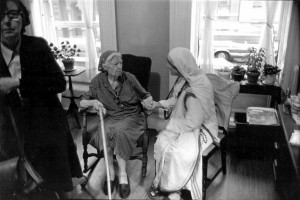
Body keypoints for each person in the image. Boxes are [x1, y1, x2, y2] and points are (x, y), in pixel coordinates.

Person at [0, 0, 83, 198]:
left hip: (47, 124)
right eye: (0, 16)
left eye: (12, 14)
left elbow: (58, 83)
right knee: (25, 185)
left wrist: (17, 82)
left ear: (23, 17)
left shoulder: (37, 46)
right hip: (11, 132)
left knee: (59, 178)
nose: (6, 21)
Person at [80, 50, 153, 199]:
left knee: (119, 131)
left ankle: (123, 175)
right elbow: (82, 102)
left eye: (121, 63)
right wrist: (92, 102)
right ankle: (110, 175)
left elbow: (145, 95)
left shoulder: (129, 78)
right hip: (110, 117)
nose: (120, 66)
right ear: (105, 66)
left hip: (131, 116)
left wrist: (148, 101)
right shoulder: (97, 81)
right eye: (115, 64)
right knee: (104, 132)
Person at [148, 47, 219, 200]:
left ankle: (176, 187)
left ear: (180, 66)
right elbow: (176, 100)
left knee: (179, 152)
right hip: (185, 121)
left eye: (170, 64)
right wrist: (157, 105)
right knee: (162, 142)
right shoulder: (184, 78)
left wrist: (164, 124)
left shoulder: (197, 87)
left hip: (202, 127)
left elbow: (193, 122)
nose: (167, 66)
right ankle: (167, 183)